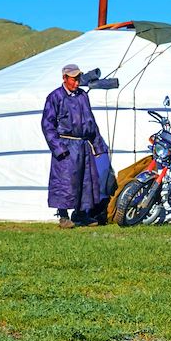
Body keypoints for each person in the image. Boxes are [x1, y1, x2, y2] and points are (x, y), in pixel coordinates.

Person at [40, 63, 109, 228]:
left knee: (85, 180)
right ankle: (63, 217)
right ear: (64, 78)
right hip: (66, 144)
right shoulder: (55, 97)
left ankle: (80, 215)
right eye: (73, 79)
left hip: (83, 144)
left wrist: (98, 145)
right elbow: (47, 125)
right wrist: (59, 148)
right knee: (64, 181)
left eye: (78, 78)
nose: (77, 82)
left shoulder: (83, 96)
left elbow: (90, 121)